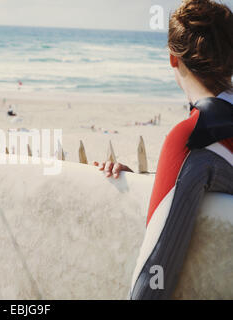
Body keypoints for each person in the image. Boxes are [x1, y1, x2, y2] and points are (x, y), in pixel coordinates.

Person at [94, 0, 233, 299]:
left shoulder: (191, 139)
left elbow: (154, 275)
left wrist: (175, 170)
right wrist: (156, 182)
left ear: (173, 58)